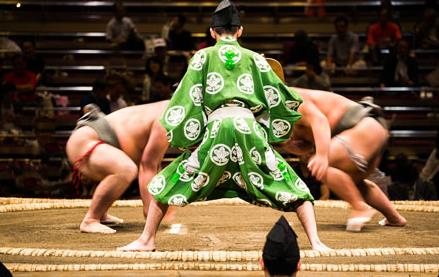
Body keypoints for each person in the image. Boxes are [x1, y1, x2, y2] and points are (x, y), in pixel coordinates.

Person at [118, 0, 330, 252]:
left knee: (168, 181)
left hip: (216, 129)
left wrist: (191, 138)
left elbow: (187, 99)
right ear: (240, 31)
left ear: (212, 32)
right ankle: (316, 242)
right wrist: (265, 129)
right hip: (248, 129)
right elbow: (281, 98)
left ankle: (146, 240)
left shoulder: (201, 57)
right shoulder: (256, 60)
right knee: (289, 182)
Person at [281, 88, 407, 231]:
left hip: (364, 125)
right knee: (354, 183)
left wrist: (322, 156)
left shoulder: (290, 97)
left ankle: (360, 207)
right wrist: (285, 144)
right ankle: (394, 218)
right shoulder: (282, 119)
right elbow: (306, 146)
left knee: (320, 166)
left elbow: (320, 121)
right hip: (368, 132)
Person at [65, 100, 170, 233]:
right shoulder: (167, 117)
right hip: (87, 142)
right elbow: (148, 166)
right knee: (126, 169)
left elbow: (153, 164)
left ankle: (101, 213)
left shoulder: (166, 108)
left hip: (101, 143)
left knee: (125, 166)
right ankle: (90, 219)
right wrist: (152, 212)